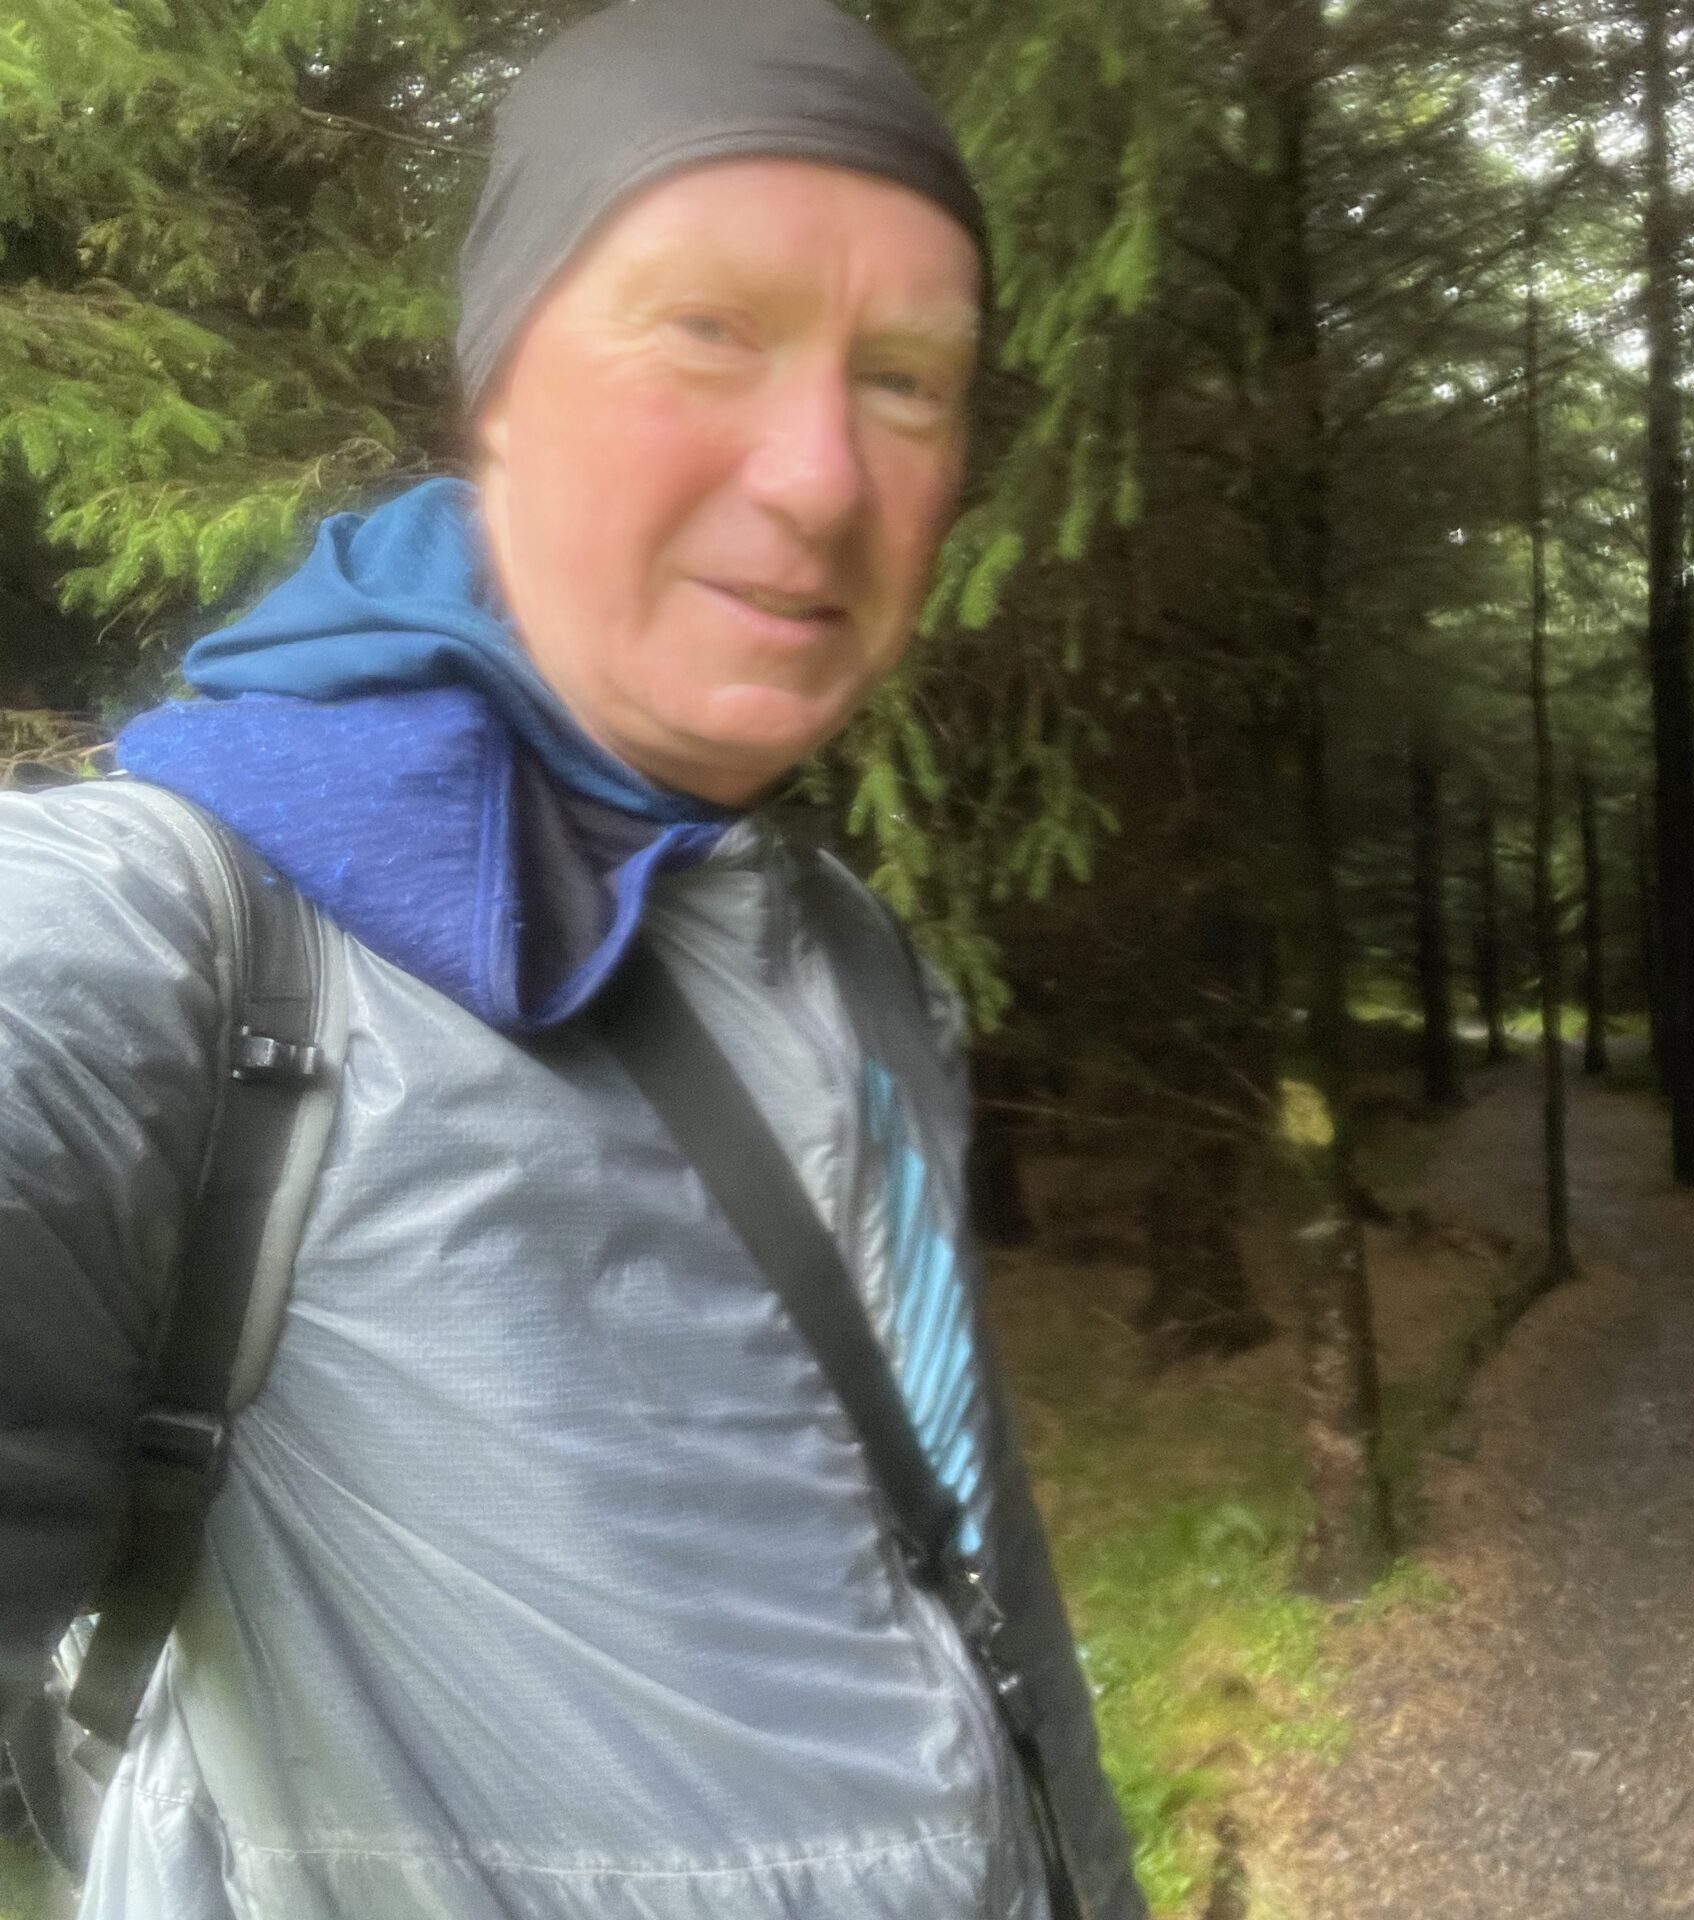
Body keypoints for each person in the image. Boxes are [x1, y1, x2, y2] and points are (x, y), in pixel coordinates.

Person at [0, 2, 1141, 1915]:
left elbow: (984, 1580)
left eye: (907, 380)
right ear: (504, 385)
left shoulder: (838, 943)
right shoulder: (155, 943)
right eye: (707, 329)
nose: (823, 478)